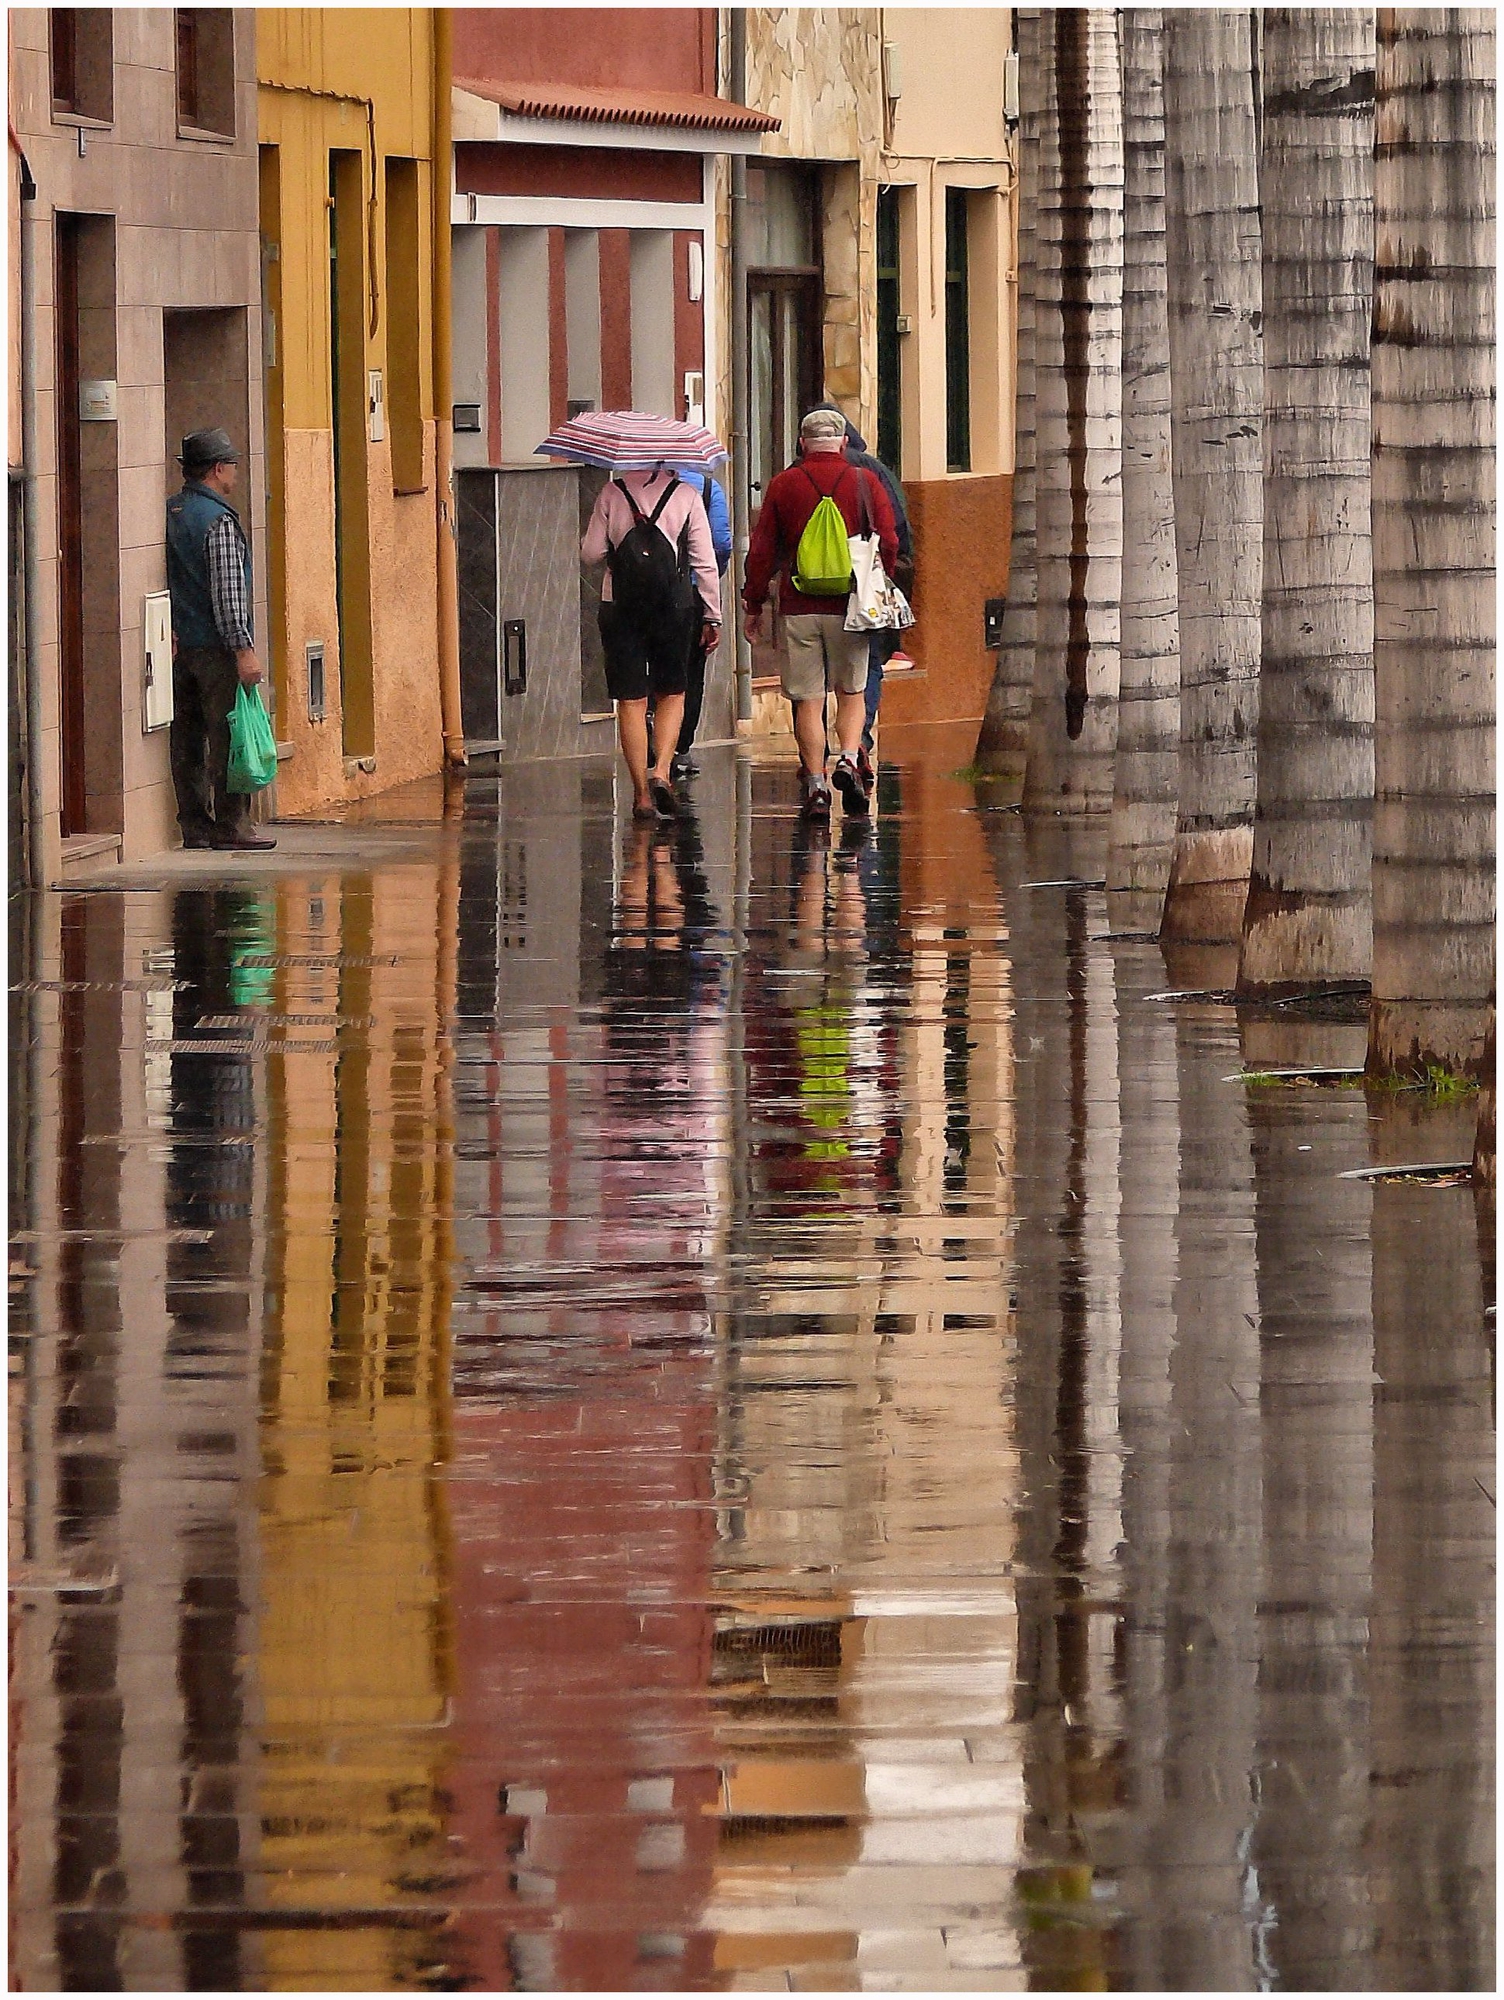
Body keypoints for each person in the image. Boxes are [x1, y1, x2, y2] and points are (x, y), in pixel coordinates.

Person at [742, 407, 897, 822]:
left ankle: (815, 784)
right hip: (851, 607)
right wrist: (876, 587)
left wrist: (753, 602)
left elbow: (762, 551)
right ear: (844, 442)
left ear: (801, 444)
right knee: (852, 691)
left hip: (798, 608)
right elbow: (890, 540)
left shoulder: (784, 485)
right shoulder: (865, 481)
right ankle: (848, 757)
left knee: (807, 700)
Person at [582, 464, 721, 821]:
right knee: (672, 692)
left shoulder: (612, 493)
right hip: (673, 606)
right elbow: (705, 562)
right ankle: (661, 770)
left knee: (630, 699)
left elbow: (591, 553)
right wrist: (712, 614)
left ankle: (642, 795)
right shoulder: (687, 495)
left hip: (620, 605)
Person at [165, 426, 275, 851]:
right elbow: (228, 594)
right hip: (215, 648)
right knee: (230, 737)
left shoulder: (173, 511)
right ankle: (232, 825)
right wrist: (244, 650)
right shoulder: (219, 522)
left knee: (186, 738)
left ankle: (194, 825)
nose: (235, 473)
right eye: (232, 465)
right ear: (216, 469)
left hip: (179, 644)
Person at [810, 401, 914, 766]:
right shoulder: (871, 473)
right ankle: (857, 746)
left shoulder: (793, 475)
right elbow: (895, 533)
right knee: (864, 667)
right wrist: (885, 577)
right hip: (862, 590)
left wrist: (757, 597)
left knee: (812, 679)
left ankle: (815, 756)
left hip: (806, 594)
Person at [664, 466, 732, 782]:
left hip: (642, 593)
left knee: (650, 666)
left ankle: (650, 739)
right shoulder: (706, 488)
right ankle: (679, 749)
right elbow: (720, 543)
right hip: (689, 594)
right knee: (691, 671)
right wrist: (708, 586)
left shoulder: (631, 487)